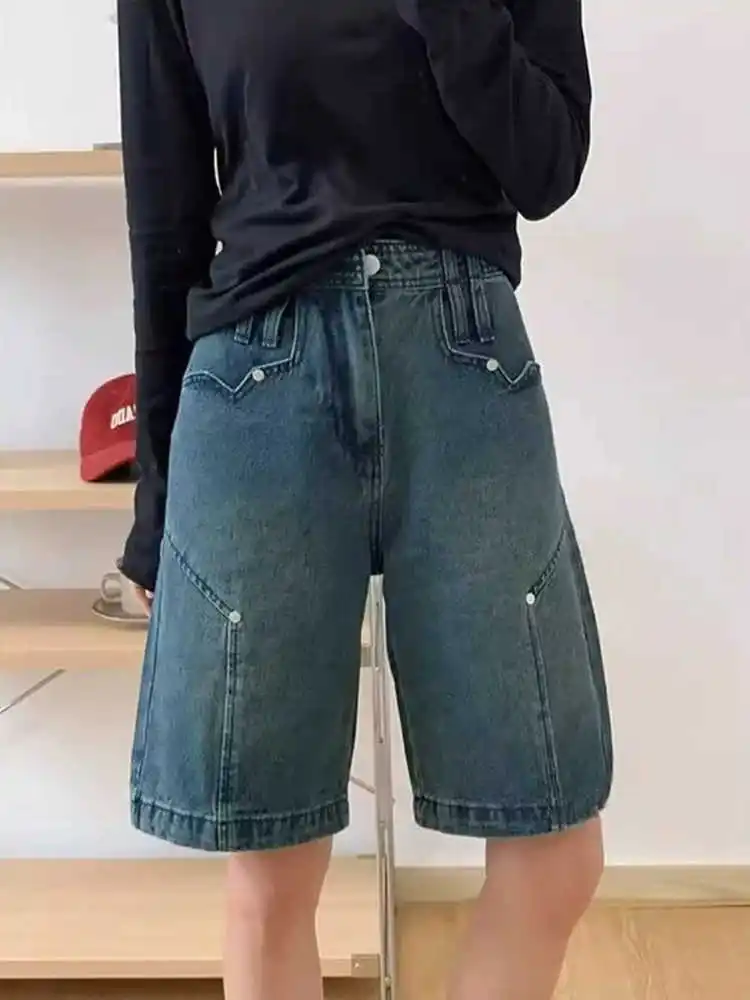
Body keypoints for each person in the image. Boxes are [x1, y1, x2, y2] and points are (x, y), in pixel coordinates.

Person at [116, 0, 612, 997]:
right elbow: (165, 219)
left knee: (556, 850)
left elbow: (548, 164)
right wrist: (156, 502)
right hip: (258, 376)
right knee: (271, 870)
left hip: (466, 362)